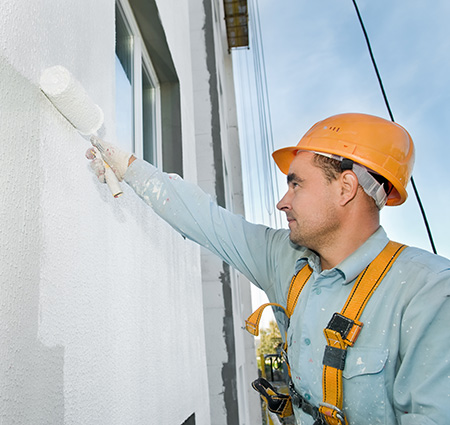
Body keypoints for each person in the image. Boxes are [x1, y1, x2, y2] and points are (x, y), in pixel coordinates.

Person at [86, 113, 450, 425]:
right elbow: (205, 220)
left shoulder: (429, 292)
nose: (282, 201)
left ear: (346, 188)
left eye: (296, 184)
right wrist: (129, 168)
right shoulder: (287, 258)